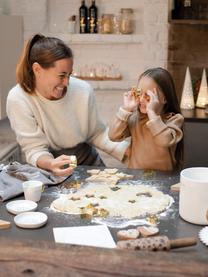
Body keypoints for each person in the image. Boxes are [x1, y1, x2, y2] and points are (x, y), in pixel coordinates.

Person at [6, 33, 128, 176]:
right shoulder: (18, 99)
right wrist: (51, 163)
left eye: (69, 75)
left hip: (88, 162)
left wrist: (129, 152)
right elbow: (34, 149)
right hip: (48, 167)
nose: (67, 83)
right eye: (61, 75)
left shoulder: (83, 90)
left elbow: (97, 133)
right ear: (37, 69)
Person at [108, 67, 184, 171]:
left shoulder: (174, 119)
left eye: (148, 96)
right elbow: (113, 136)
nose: (142, 99)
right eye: (139, 93)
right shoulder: (135, 119)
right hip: (136, 178)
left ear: (165, 98)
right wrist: (126, 110)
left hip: (163, 179)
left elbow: (164, 140)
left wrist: (152, 113)